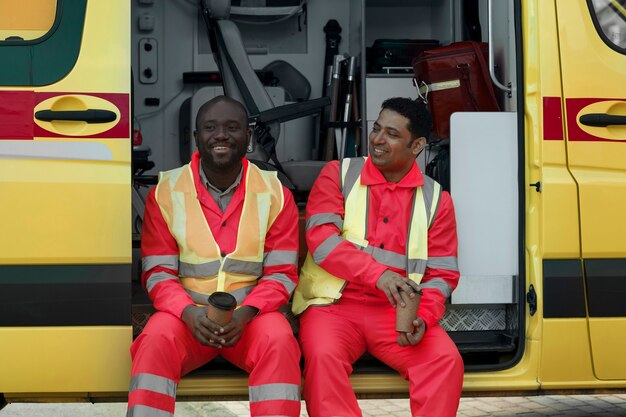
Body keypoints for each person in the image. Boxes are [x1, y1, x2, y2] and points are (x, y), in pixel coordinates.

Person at [127, 96, 301, 417]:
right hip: (187, 320)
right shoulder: (166, 191)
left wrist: (247, 313)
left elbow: (281, 273)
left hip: (250, 321)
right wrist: (187, 313)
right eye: (210, 128)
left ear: (248, 138)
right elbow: (158, 273)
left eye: (232, 127)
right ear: (196, 138)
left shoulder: (276, 193)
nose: (220, 135)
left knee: (279, 339)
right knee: (155, 338)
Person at [292, 97, 464, 417]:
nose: (377, 140)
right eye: (376, 129)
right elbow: (322, 242)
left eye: (392, 134)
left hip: (395, 315)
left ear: (418, 146)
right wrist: (378, 275)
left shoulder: (437, 200)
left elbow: (442, 276)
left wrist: (421, 317)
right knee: (323, 359)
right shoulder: (339, 174)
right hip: (333, 308)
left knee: (445, 360)